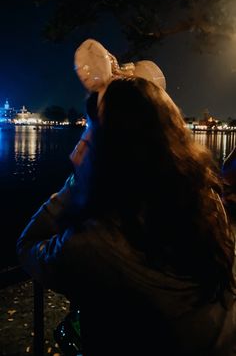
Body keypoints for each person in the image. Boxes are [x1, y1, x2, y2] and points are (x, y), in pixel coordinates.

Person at [17, 48, 236, 356]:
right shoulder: (207, 203)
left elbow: (28, 246)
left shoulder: (96, 242)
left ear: (107, 148)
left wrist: (77, 178)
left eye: (92, 133)